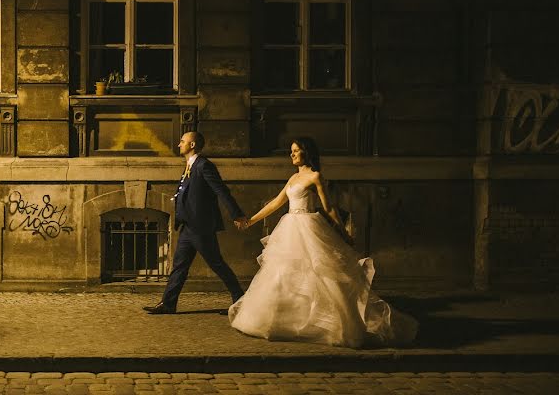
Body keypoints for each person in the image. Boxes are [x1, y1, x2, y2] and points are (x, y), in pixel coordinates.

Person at [229, 137, 418, 347]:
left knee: (319, 274)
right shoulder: (293, 178)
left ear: (306, 152)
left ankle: (326, 324)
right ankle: (283, 321)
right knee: (283, 274)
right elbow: (277, 202)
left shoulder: (316, 177)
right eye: (291, 151)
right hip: (290, 226)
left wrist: (343, 234)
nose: (291, 154)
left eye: (296, 151)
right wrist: (251, 220)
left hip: (309, 226)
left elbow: (328, 208)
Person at [143, 131, 250, 315]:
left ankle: (241, 302)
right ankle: (168, 304)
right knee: (180, 266)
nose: (179, 144)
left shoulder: (204, 166)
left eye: (183, 141)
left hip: (200, 227)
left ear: (192, 145)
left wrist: (236, 214)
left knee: (217, 264)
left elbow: (221, 191)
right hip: (188, 227)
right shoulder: (189, 167)